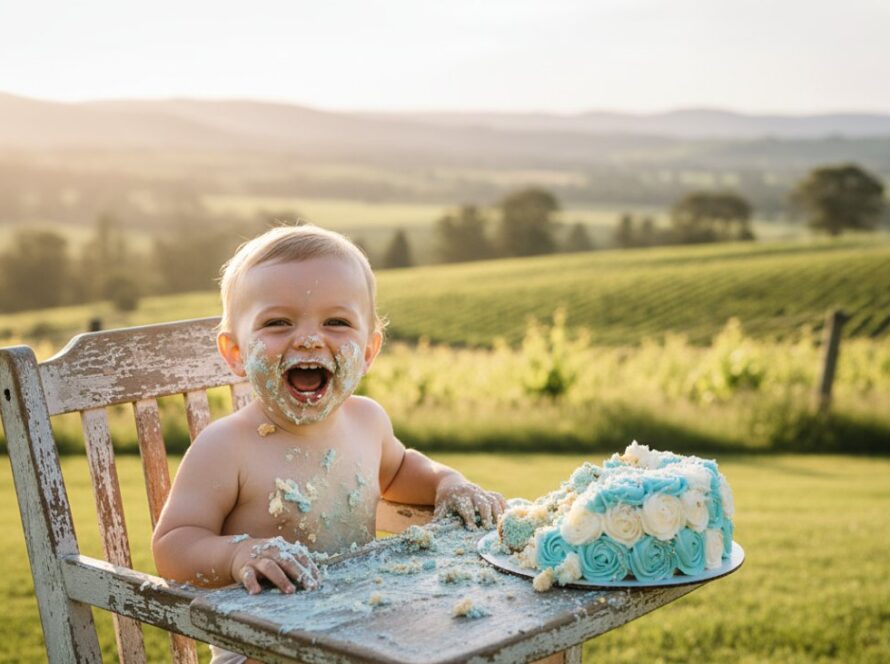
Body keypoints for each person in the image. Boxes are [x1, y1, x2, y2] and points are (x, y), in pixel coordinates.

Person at [152, 224, 506, 663]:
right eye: (277, 323)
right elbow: (173, 546)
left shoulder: (367, 420)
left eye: (336, 322)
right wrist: (238, 554)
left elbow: (399, 471)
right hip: (264, 647)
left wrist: (445, 482)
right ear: (235, 352)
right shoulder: (226, 446)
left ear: (370, 349)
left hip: (357, 631)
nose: (308, 338)